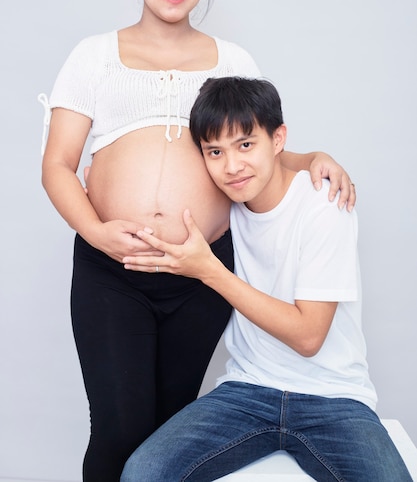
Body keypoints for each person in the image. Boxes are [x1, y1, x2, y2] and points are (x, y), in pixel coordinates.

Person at [39, 0, 356, 482]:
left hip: (200, 274)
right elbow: (58, 166)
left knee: (172, 431)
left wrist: (311, 158)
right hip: (114, 269)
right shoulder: (94, 56)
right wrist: (99, 234)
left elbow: (259, 154)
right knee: (118, 427)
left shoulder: (232, 60)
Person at [120, 77, 411, 482]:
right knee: (143, 473)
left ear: (278, 140)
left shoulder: (325, 206)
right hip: (247, 391)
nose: (232, 166)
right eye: (215, 152)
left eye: (245, 145)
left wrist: (209, 270)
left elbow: (309, 336)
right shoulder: (224, 203)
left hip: (333, 398)